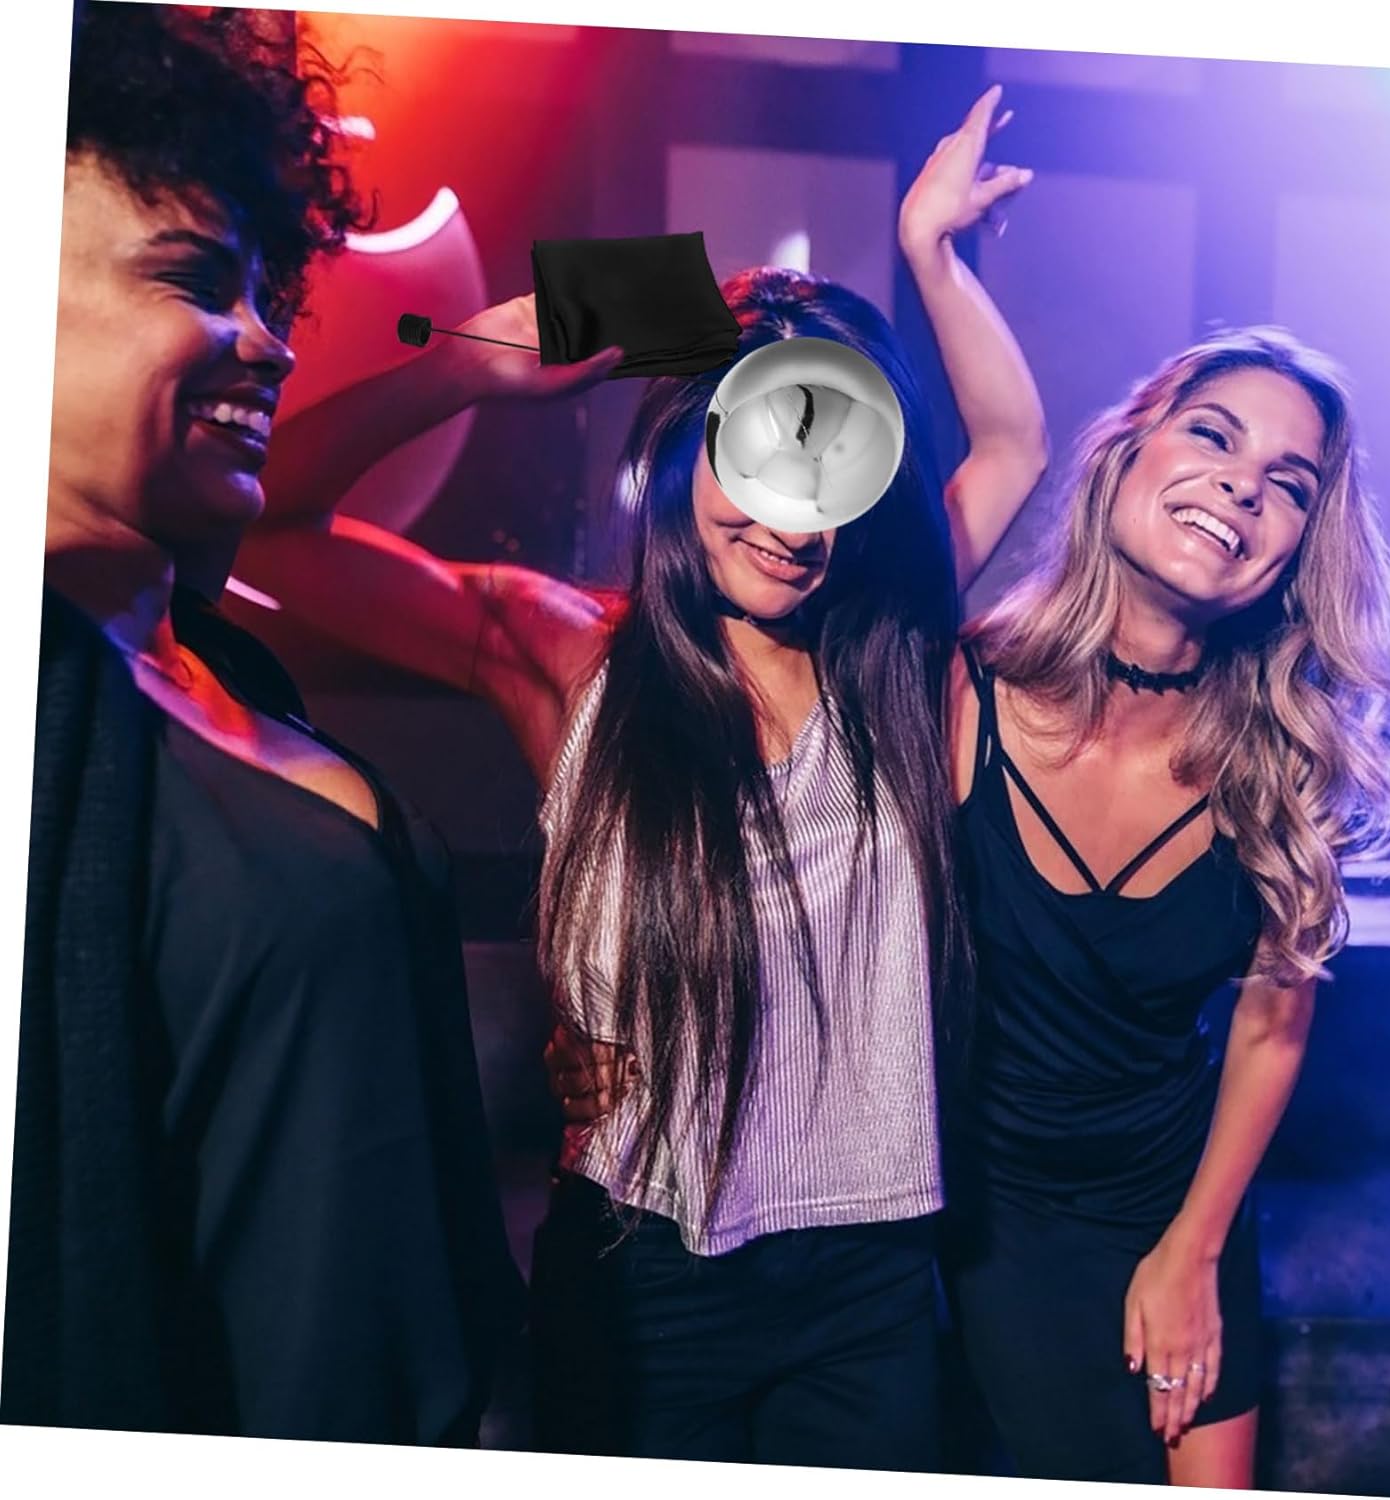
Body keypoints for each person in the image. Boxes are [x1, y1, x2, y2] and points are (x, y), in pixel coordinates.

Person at [231, 86, 1045, 1467]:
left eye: (829, 471)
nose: (790, 522)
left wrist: (932, 257)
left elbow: (1014, 445)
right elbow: (270, 524)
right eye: (756, 454)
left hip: (870, 1277)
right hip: (644, 1273)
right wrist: (471, 366)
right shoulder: (574, 658)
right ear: (687, 449)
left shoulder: (897, 654)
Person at [3, 2, 598, 1443]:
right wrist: (460, 366)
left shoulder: (217, 672)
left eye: (269, 296)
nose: (267, 347)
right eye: (196, 281)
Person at [943, 326, 1390, 1487]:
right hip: (984, 1211)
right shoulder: (958, 688)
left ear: (1296, 548)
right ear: (1127, 451)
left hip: (1178, 1202)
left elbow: (1273, 1021)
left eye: (1289, 484)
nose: (1242, 485)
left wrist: (1196, 1247)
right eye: (1213, 435)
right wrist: (931, 257)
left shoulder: (1280, 756)